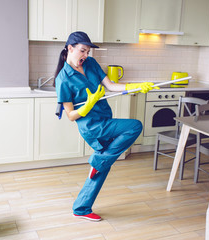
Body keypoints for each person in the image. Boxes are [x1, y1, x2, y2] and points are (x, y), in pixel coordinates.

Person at [54, 31, 159, 222]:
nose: (85, 55)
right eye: (82, 51)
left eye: (87, 52)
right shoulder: (63, 78)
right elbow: (70, 115)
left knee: (103, 166)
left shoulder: (91, 64)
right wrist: (86, 106)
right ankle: (99, 162)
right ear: (70, 48)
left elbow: (111, 86)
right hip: (92, 127)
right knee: (134, 126)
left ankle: (81, 207)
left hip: (105, 119)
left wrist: (137, 86)